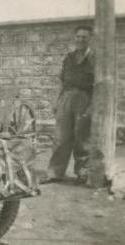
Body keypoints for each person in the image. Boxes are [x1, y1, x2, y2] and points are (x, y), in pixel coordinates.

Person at [41, 26, 95, 185]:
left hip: (84, 98)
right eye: (78, 36)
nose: (80, 40)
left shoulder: (95, 58)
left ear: (90, 39)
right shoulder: (69, 57)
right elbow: (61, 82)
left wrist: (91, 106)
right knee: (60, 137)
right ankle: (54, 173)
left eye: (84, 37)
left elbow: (98, 85)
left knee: (82, 138)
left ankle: (82, 173)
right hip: (66, 97)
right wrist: (56, 101)